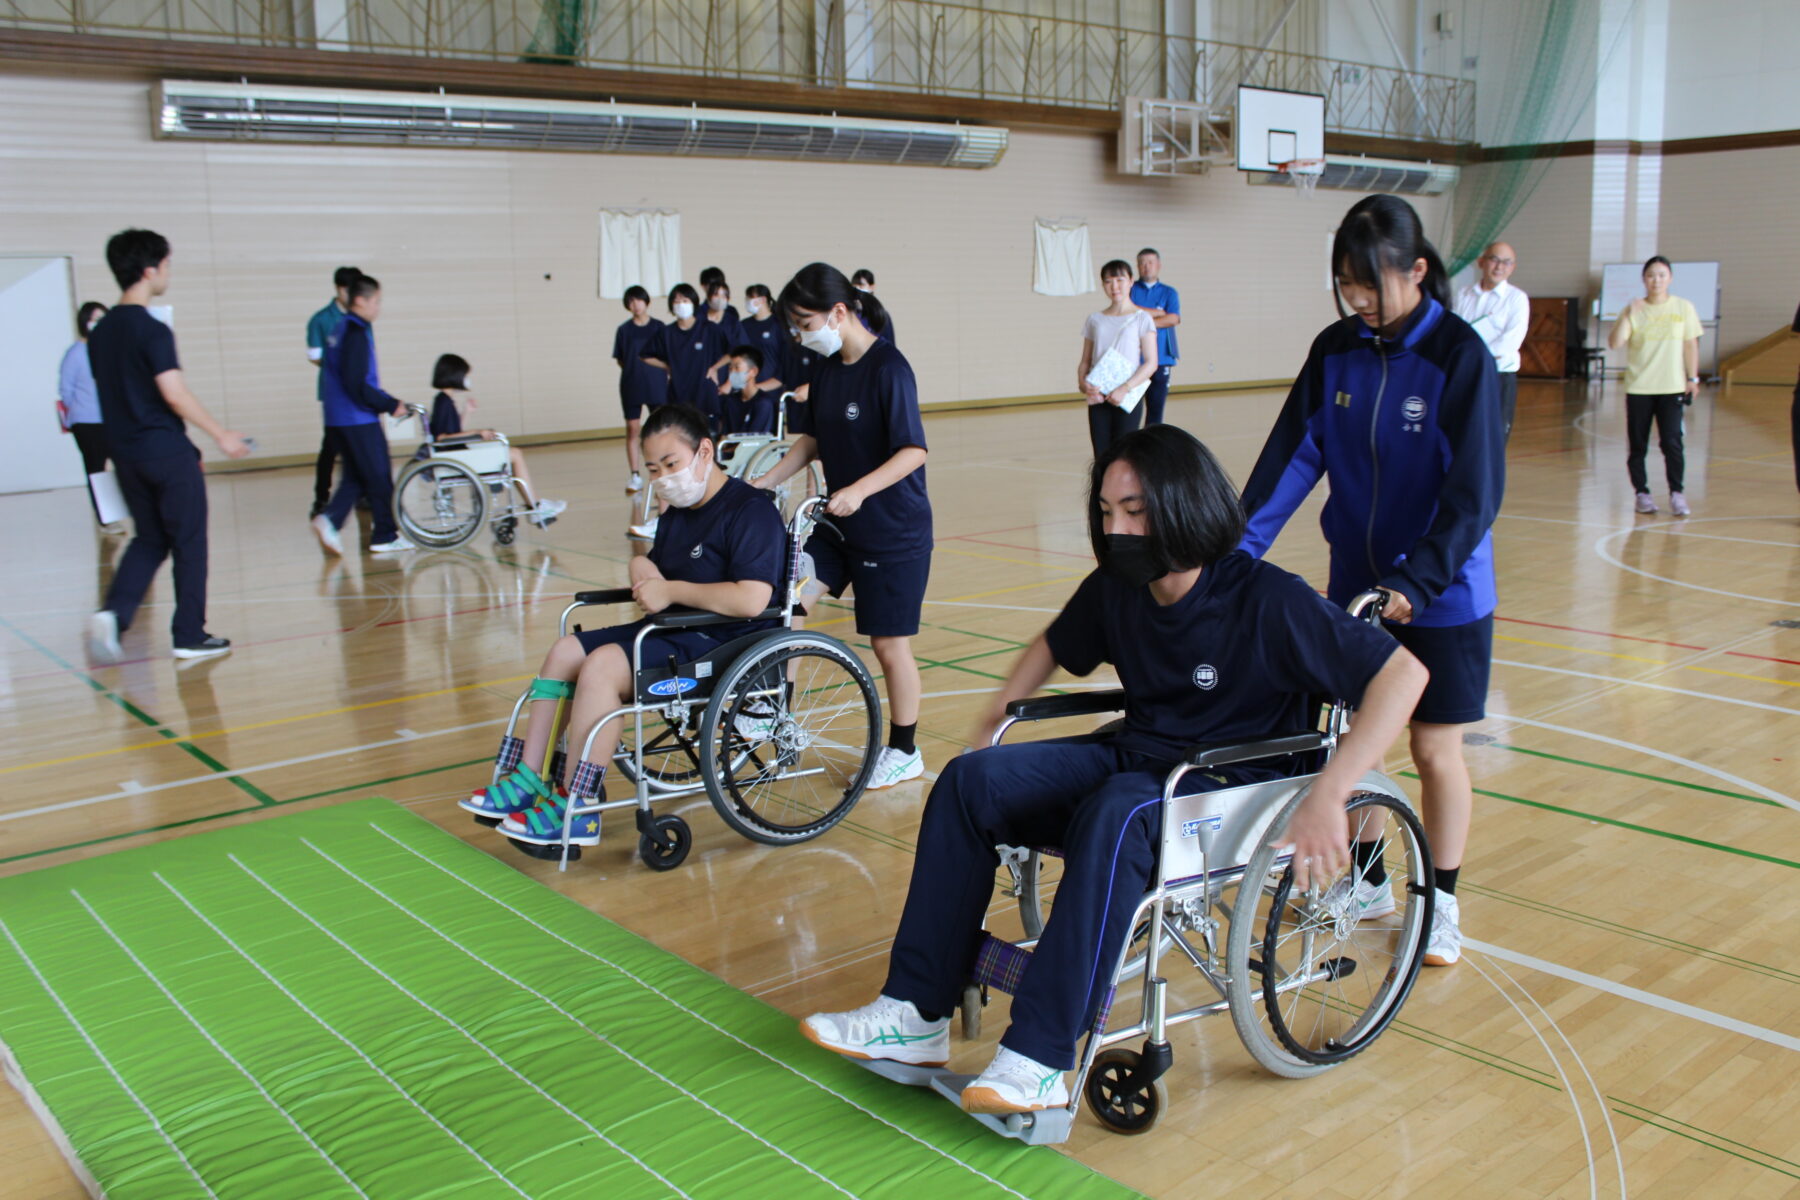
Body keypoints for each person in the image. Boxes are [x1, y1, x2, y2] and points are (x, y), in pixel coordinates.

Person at [800, 426, 1428, 1113]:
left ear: (1185, 506)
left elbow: (1403, 674)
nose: (1117, 528)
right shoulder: (1120, 590)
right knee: (967, 782)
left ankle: (1040, 1058)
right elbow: (1053, 643)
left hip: (1231, 788)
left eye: (1135, 511)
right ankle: (915, 1014)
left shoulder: (1267, 598)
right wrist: (988, 727)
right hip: (1143, 762)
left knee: (1120, 809)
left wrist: (1331, 792)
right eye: (1106, 512)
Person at [1237, 193, 1504, 970]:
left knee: (1432, 748)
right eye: (1344, 287)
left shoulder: (1459, 358)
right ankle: (1371, 880)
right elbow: (1292, 460)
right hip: (1356, 585)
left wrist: (1418, 581)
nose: (1357, 302)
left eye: (1369, 287)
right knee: (1358, 741)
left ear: (1416, 272)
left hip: (1444, 592)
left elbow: (1474, 494)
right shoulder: (1336, 351)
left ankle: (1443, 900)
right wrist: (1235, 554)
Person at [461, 403, 787, 843]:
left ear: (705, 451)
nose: (663, 478)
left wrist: (671, 591)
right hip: (671, 631)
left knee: (602, 668)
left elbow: (752, 598)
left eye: (671, 464)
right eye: (653, 468)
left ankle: (579, 807)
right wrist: (642, 571)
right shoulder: (676, 513)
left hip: (721, 642)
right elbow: (653, 566)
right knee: (563, 652)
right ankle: (529, 778)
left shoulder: (750, 510)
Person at [752, 263, 932, 791]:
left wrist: (859, 489)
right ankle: (772, 713)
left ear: (838, 312)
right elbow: (812, 440)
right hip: (835, 525)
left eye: (806, 322)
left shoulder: (889, 369)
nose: (801, 335)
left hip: (892, 529)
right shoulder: (827, 371)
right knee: (788, 602)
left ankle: (904, 750)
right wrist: (765, 480)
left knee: (888, 646)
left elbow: (913, 450)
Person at [84, 228, 250, 663]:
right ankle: (189, 634)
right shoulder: (152, 330)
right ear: (149, 270)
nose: (168, 273)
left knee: (150, 539)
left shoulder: (100, 334)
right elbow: (173, 393)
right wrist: (220, 434)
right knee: (189, 543)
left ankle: (114, 613)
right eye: (167, 264)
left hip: (126, 455)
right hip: (166, 453)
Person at [311, 275, 413, 556]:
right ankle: (384, 534)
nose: (378, 307)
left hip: (336, 417)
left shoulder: (339, 328)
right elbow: (356, 384)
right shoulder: (356, 332)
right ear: (361, 300)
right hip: (357, 419)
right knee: (379, 475)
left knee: (357, 476)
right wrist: (389, 403)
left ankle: (329, 520)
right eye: (376, 301)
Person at [423, 354, 565, 527]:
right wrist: (477, 432)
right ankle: (536, 506)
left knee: (512, 454)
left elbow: (453, 431)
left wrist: (467, 412)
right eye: (466, 375)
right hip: (457, 458)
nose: (467, 380)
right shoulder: (443, 402)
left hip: (457, 454)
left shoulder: (445, 400)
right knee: (514, 454)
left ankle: (535, 504)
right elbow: (442, 438)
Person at [1609, 256, 1702, 516]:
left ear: (1670, 278)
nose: (1656, 280)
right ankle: (1642, 493)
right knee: (1637, 444)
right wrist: (1628, 313)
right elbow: (1615, 343)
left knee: (1672, 442)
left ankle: (1677, 493)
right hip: (1639, 388)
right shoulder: (1634, 309)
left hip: (1671, 387)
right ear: (1644, 279)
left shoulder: (1683, 307)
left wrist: (1692, 378)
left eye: (1661, 275)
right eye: (1651, 275)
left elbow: (1690, 344)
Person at [1079, 260, 1160, 457]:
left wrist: (1125, 388)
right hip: (1098, 395)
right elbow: (1085, 361)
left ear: (1131, 281)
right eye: (1108, 281)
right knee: (1101, 454)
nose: (1114, 286)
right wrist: (1083, 383)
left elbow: (1151, 362)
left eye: (1119, 280)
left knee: (1124, 454)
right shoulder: (1095, 319)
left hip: (1126, 396)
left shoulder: (1142, 318)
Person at [59, 300, 125, 533]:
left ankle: (120, 511)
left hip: (110, 418)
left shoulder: (108, 350)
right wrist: (77, 411)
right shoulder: (76, 353)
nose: (98, 324)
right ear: (84, 322)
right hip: (86, 421)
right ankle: (106, 519)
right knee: (96, 469)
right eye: (94, 319)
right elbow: (66, 390)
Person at [1453, 242, 1529, 440]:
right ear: (1481, 262)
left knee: (1495, 436)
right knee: (1464, 432)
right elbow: (1456, 332)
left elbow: (1510, 342)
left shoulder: (1516, 299)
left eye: (1506, 262)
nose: (1499, 267)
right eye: (1494, 259)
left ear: (1513, 268)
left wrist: (1474, 355)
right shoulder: (1463, 294)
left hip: (1499, 375)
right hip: (1467, 373)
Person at [306, 266, 361, 518]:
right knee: (331, 447)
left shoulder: (361, 319)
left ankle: (362, 495)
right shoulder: (321, 319)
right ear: (341, 290)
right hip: (335, 393)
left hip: (359, 392)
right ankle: (321, 498)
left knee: (361, 447)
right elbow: (315, 356)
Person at [642, 283, 731, 432]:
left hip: (704, 393)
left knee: (708, 437)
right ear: (671, 305)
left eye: (685, 301)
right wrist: (667, 366)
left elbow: (734, 351)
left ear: (693, 303)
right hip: (678, 394)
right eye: (677, 302)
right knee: (683, 437)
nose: (681, 305)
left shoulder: (709, 329)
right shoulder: (666, 332)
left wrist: (715, 367)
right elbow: (644, 355)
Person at [612, 285, 666, 492]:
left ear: (646, 301)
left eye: (639, 300)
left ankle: (661, 469)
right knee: (633, 429)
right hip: (631, 385)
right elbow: (621, 359)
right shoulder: (624, 330)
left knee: (660, 428)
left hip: (656, 384)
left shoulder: (659, 327)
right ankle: (635, 475)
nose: (636, 305)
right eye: (631, 301)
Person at [1128, 248, 1180, 427]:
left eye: (1150, 262)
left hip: (1162, 358)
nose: (1146, 267)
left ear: (1158, 265)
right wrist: (1158, 313)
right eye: (1142, 263)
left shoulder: (1169, 292)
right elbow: (1129, 313)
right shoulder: (1131, 289)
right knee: (1130, 408)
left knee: (1156, 410)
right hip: (1134, 359)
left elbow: (1173, 318)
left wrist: (1143, 321)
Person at [719, 345, 776, 440]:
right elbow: (725, 435)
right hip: (732, 452)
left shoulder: (764, 403)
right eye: (730, 369)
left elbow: (755, 441)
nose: (732, 373)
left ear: (753, 371)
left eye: (737, 368)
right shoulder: (730, 401)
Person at [851, 269, 894, 346]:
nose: (857, 289)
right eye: (854, 285)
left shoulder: (881, 315)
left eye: (861, 285)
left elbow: (890, 344)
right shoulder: (850, 313)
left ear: (872, 287)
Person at [703, 279, 743, 348]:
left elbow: (740, 347)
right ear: (708, 297)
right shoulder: (698, 319)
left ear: (728, 298)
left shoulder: (733, 322)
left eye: (723, 296)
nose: (720, 299)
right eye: (716, 295)